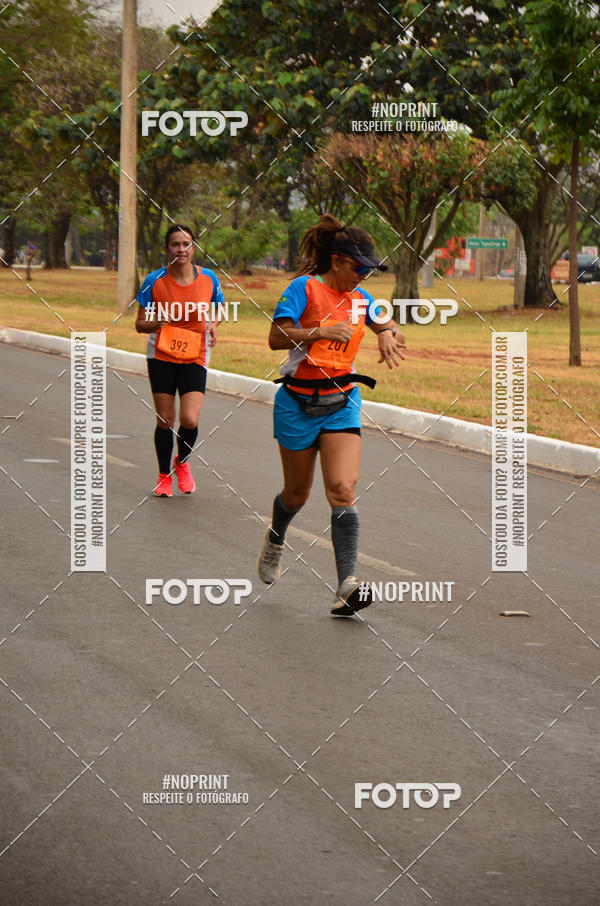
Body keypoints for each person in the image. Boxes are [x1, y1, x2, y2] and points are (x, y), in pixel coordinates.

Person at [257, 213, 406, 616]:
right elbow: (275, 337)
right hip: (297, 404)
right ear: (338, 261)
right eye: (360, 268)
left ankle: (347, 584)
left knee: (342, 489)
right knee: (297, 494)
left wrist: (389, 333)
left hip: (342, 401)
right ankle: (275, 538)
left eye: (369, 271)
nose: (364, 277)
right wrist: (319, 332)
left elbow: (386, 324)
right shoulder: (303, 289)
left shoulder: (361, 300)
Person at [135, 224, 225, 497]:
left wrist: (213, 323)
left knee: (189, 418)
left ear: (193, 248)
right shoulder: (154, 280)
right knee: (166, 419)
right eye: (175, 244)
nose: (181, 249)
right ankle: (164, 476)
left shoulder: (209, 278)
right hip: (162, 355)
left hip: (195, 354)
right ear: (167, 249)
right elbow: (140, 323)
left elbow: (220, 307)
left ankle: (182, 462)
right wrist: (156, 323)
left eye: (186, 244)